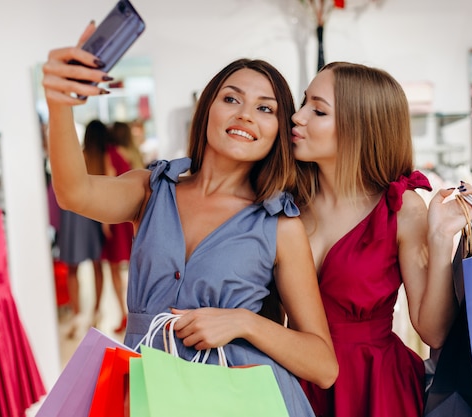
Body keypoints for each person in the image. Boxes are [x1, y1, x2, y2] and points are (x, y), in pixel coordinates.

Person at [41, 22, 338, 417]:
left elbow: (323, 366)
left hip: (235, 401)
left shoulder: (280, 226)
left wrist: (244, 322)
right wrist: (60, 104)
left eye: (265, 108)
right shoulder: (151, 190)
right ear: (208, 108)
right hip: (144, 393)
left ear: (278, 132)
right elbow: (74, 193)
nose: (246, 115)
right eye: (232, 99)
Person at [291, 61, 472, 417]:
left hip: (374, 388)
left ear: (359, 126)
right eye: (303, 103)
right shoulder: (288, 200)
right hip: (295, 378)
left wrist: (440, 237)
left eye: (317, 110)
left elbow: (433, 332)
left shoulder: (399, 207)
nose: (297, 117)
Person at [56, 119, 108, 335]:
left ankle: (78, 313)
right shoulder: (101, 159)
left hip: (73, 215)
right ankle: (96, 310)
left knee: (72, 267)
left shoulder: (80, 156)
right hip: (94, 213)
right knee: (97, 266)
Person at [101, 121, 144, 333]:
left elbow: (109, 188)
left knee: (114, 268)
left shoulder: (111, 153)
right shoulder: (135, 154)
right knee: (137, 266)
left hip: (118, 217)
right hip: (137, 216)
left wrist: (105, 222)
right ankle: (136, 314)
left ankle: (123, 314)